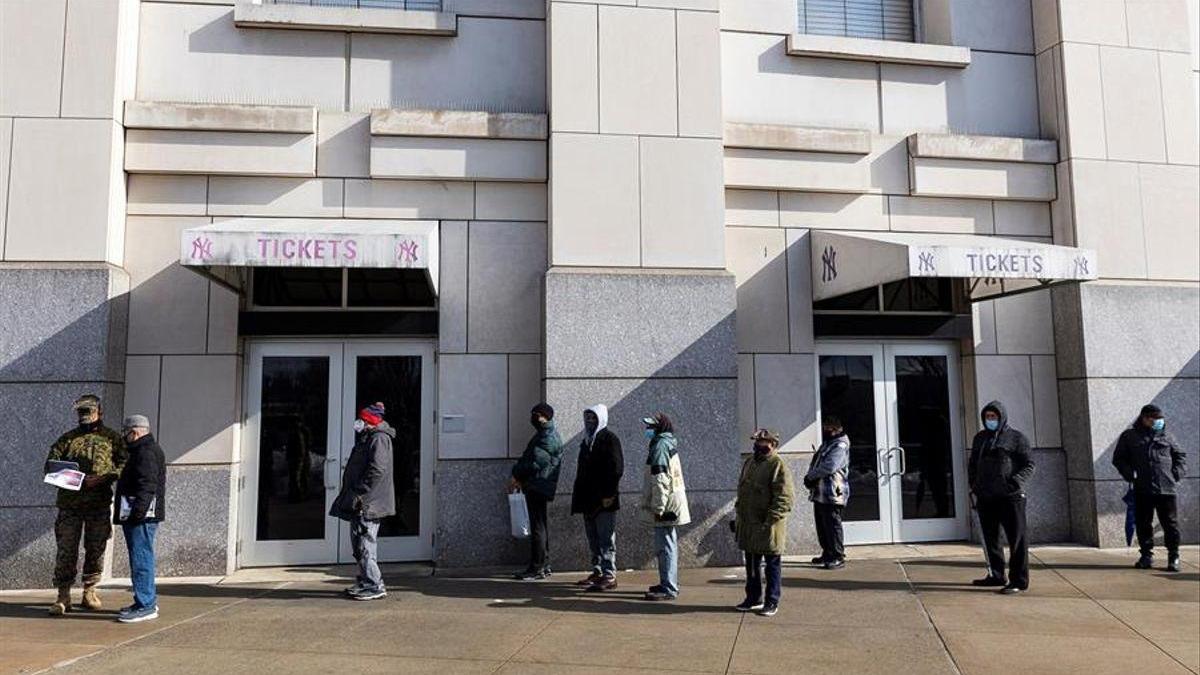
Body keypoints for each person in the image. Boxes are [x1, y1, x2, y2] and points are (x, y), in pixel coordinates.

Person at [44, 394, 127, 616]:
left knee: (96, 548)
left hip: (98, 505)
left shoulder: (112, 439)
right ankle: (63, 594)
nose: (85, 417)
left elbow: (124, 464)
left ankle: (90, 589)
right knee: (66, 550)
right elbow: (50, 468)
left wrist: (106, 477)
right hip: (70, 506)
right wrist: (75, 479)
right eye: (81, 413)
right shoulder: (67, 439)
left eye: (89, 412)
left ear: (100, 412)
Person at [967, 401, 1035, 595]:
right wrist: (974, 484)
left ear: (1001, 417)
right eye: (987, 417)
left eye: (993, 417)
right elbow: (973, 463)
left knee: (1017, 539)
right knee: (991, 539)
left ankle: (1018, 580)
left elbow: (1029, 465)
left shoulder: (1016, 438)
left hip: (1010, 497)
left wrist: (1014, 482)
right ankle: (996, 574)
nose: (990, 420)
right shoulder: (980, 439)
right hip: (986, 496)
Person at [330, 403, 396, 601]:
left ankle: (374, 584)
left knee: (365, 544)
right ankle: (366, 580)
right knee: (359, 543)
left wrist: (360, 491)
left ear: (370, 421)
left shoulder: (379, 438)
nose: (359, 423)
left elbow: (378, 469)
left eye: (363, 419)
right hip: (362, 501)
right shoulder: (368, 438)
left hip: (368, 502)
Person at [1112, 404, 1187, 572]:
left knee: (1170, 524)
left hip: (1166, 488)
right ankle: (1146, 555)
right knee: (1143, 523)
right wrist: (1129, 474)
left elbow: (1180, 456)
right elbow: (1119, 459)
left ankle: (1173, 556)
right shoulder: (1130, 436)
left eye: (1160, 418)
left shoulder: (1167, 436)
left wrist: (1176, 474)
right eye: (1154, 418)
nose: (1158, 421)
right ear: (1145, 418)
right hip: (1142, 488)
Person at [733, 429, 794, 617]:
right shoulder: (750, 462)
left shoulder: (778, 464)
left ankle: (771, 601)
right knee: (751, 565)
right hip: (748, 524)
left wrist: (769, 520)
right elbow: (743, 491)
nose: (758, 445)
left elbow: (785, 498)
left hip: (768, 526)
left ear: (773, 444)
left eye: (762, 442)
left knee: (771, 565)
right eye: (756, 441)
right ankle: (753, 597)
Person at [113, 415, 166, 624]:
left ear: (134, 432)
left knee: (141, 559)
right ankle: (143, 600)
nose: (124, 438)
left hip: (141, 518)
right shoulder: (144, 450)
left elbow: (147, 485)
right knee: (140, 557)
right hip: (139, 516)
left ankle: (146, 605)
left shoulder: (146, 452)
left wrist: (137, 514)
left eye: (125, 433)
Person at [571, 404, 624, 591]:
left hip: (604, 500)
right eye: (587, 418)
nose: (589, 422)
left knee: (605, 538)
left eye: (593, 418)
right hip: (587, 500)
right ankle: (598, 570)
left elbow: (616, 469)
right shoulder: (586, 441)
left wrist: (609, 494)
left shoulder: (609, 439)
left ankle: (609, 575)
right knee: (593, 538)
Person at [510, 403, 564, 580]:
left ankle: (537, 567)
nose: (535, 418)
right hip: (537, 485)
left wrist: (517, 473)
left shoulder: (548, 436)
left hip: (538, 485)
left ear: (546, 416)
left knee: (538, 527)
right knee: (540, 525)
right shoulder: (543, 434)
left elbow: (535, 461)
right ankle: (544, 564)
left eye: (538, 415)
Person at [639, 413, 690, 601]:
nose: (648, 430)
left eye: (651, 426)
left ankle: (668, 587)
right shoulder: (666, 443)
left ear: (660, 428)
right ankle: (666, 582)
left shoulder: (660, 446)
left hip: (665, 505)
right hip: (669, 503)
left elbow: (660, 479)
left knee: (665, 546)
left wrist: (658, 508)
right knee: (666, 544)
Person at [805, 416, 850, 570]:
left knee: (832, 524)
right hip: (820, 492)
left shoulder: (840, 445)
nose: (825, 430)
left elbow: (830, 466)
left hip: (832, 492)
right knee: (822, 524)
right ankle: (827, 552)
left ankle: (837, 555)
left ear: (836, 429)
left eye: (828, 428)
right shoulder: (828, 444)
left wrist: (811, 476)